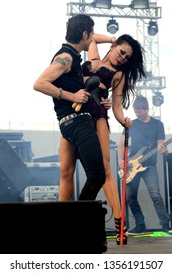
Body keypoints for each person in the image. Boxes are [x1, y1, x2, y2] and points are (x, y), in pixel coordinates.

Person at [59, 33, 146, 245]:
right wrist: (112, 38)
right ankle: (60, 219)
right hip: (74, 113)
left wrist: (123, 119)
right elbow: (92, 39)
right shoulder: (94, 54)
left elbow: (116, 106)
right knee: (66, 170)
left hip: (97, 114)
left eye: (127, 58)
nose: (122, 58)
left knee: (105, 168)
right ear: (114, 46)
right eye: (121, 52)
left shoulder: (119, 75)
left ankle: (119, 221)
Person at [33, 14, 106, 200]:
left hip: (74, 124)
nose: (92, 38)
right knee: (97, 176)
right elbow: (40, 83)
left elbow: (71, 84)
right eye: (91, 34)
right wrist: (72, 96)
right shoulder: (66, 57)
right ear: (84, 35)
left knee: (87, 175)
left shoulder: (72, 58)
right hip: (77, 123)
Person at [118, 95, 170, 233]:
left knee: (155, 195)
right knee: (130, 197)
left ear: (147, 109)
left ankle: (165, 225)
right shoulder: (132, 124)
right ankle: (140, 224)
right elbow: (122, 142)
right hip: (132, 166)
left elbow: (160, 143)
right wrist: (120, 160)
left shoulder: (158, 124)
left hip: (149, 166)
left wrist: (162, 149)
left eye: (140, 111)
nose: (137, 113)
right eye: (136, 111)